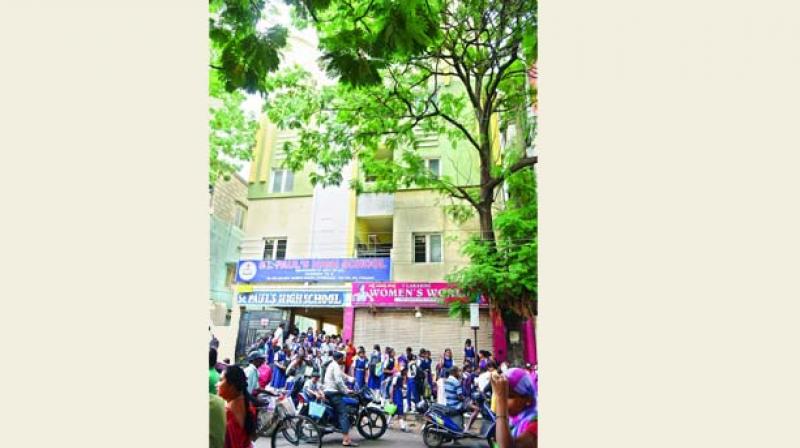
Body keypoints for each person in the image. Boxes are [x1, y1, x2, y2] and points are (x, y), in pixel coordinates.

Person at [490, 368, 538, 448]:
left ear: (528, 399)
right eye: (504, 396)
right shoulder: (512, 421)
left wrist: (501, 399)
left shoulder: (535, 424)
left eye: (510, 396)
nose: (505, 401)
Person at [323, 351, 358, 447]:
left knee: (339, 411)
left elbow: (342, 375)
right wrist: (346, 390)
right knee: (343, 414)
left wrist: (350, 378)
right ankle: (346, 440)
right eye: (342, 359)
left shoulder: (333, 365)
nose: (343, 360)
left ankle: (337, 425)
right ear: (339, 359)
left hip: (329, 391)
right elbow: (338, 381)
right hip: (333, 393)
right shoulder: (335, 366)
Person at [217, 365, 257, 448]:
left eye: (220, 380)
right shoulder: (249, 407)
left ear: (232, 386)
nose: (217, 384)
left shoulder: (225, 414)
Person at [388, 367, 410, 432]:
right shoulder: (397, 377)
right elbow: (392, 387)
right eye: (405, 370)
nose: (406, 372)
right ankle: (402, 426)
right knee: (398, 408)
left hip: (399, 394)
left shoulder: (402, 377)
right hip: (396, 394)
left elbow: (400, 385)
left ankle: (387, 423)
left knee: (396, 410)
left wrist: (405, 388)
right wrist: (391, 397)